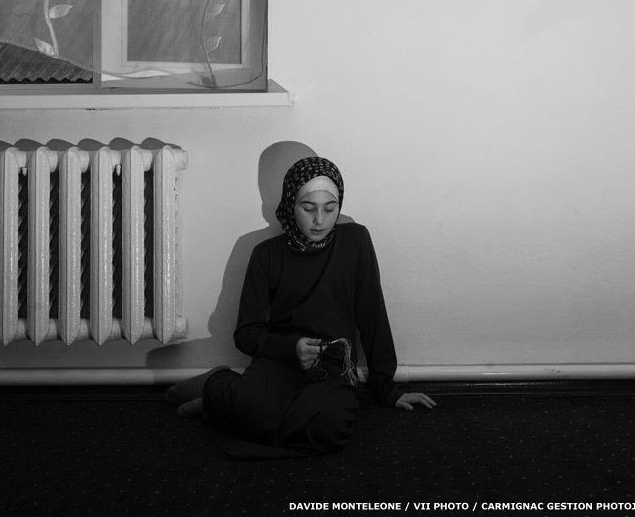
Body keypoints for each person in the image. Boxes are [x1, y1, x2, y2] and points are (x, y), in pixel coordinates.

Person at [167, 156, 435, 454]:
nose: (319, 220)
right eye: (308, 208)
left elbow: (372, 316)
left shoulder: (355, 241)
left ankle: (219, 405)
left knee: (328, 429)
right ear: (290, 205)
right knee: (251, 406)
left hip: (333, 367)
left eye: (330, 209)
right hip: (280, 361)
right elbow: (245, 333)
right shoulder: (265, 255)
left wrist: (386, 388)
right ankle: (217, 386)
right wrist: (290, 349)